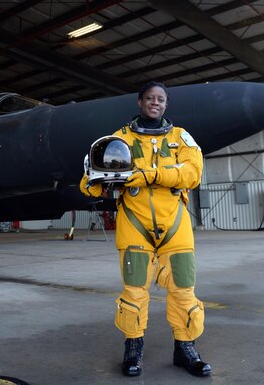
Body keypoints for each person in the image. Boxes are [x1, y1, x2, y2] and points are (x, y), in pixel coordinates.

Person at [79, 81, 211, 377]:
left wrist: (151, 174)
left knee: (183, 290)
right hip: (134, 224)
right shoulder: (118, 139)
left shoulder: (181, 138)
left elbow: (192, 173)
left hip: (175, 226)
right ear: (139, 102)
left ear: (166, 104)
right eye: (149, 98)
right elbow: (90, 178)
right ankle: (133, 346)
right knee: (135, 291)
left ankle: (186, 347)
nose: (155, 103)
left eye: (160, 99)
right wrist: (97, 186)